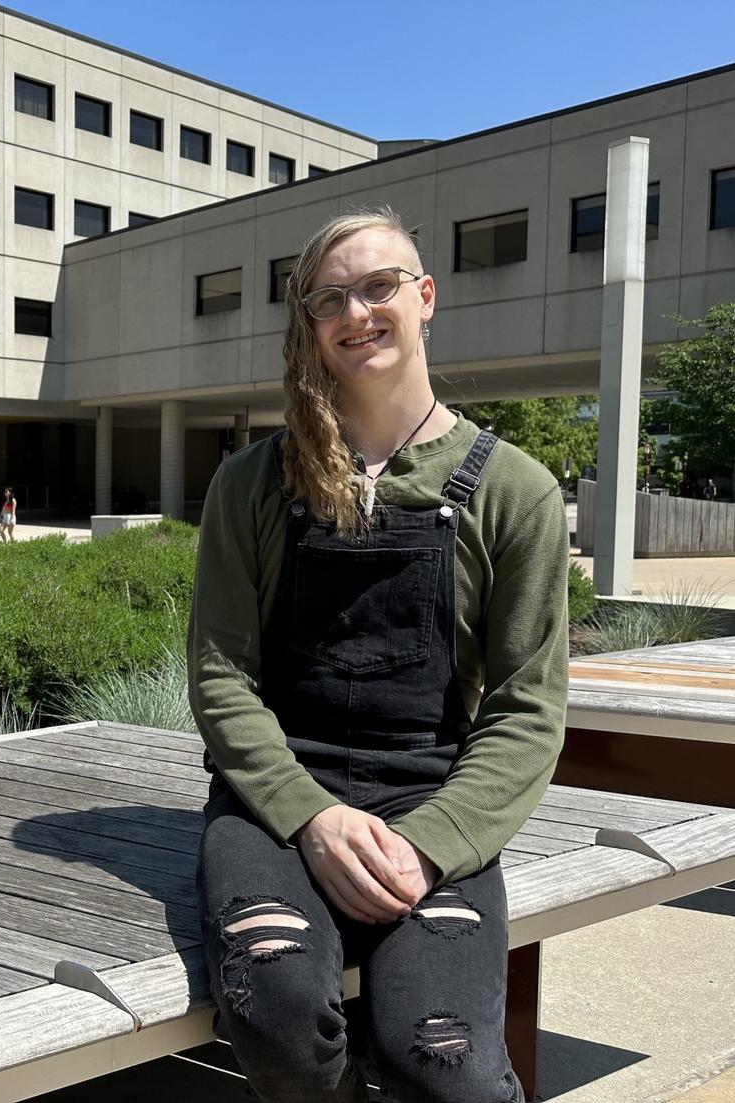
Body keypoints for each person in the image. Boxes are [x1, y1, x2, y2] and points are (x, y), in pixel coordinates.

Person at [189, 207, 568, 1102]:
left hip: (431, 799)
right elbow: (220, 674)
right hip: (272, 801)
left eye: (378, 286)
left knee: (449, 1068)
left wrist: (429, 849)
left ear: (425, 296)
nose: (356, 311)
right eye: (331, 298)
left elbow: (526, 705)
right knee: (270, 1002)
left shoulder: (514, 490)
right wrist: (312, 818)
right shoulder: (251, 483)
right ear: (310, 324)